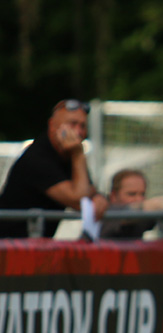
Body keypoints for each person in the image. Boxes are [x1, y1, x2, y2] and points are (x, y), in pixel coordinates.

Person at [0, 99, 107, 238]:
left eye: (83, 126)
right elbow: (79, 200)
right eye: (72, 124)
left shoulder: (69, 155)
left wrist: (98, 197)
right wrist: (78, 155)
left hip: (32, 247)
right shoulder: (37, 158)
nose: (78, 132)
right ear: (52, 126)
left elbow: (88, 191)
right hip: (8, 246)